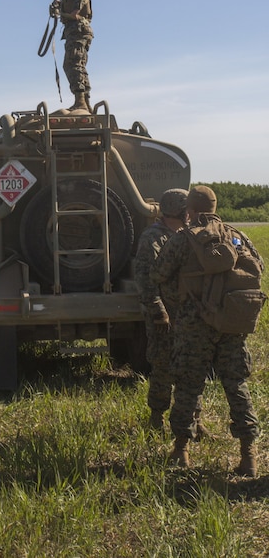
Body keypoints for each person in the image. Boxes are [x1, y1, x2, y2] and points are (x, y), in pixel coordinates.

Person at [151, 186, 261, 476]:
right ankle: (249, 456)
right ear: (214, 205)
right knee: (236, 384)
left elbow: (158, 273)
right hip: (230, 322)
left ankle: (181, 451)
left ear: (190, 209)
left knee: (188, 385)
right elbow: (258, 266)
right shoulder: (236, 236)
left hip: (193, 322)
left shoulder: (182, 238)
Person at [134, 188, 205, 433]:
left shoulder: (188, 235)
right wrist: (158, 311)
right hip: (164, 315)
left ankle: (195, 420)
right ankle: (157, 418)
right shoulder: (153, 237)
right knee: (163, 366)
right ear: (183, 212)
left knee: (193, 367)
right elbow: (145, 279)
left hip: (188, 315)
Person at [51, 0, 93, 111]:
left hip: (78, 29)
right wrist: (60, 4)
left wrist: (76, 10)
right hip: (74, 30)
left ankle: (81, 101)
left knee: (73, 64)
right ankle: (85, 103)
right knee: (75, 64)